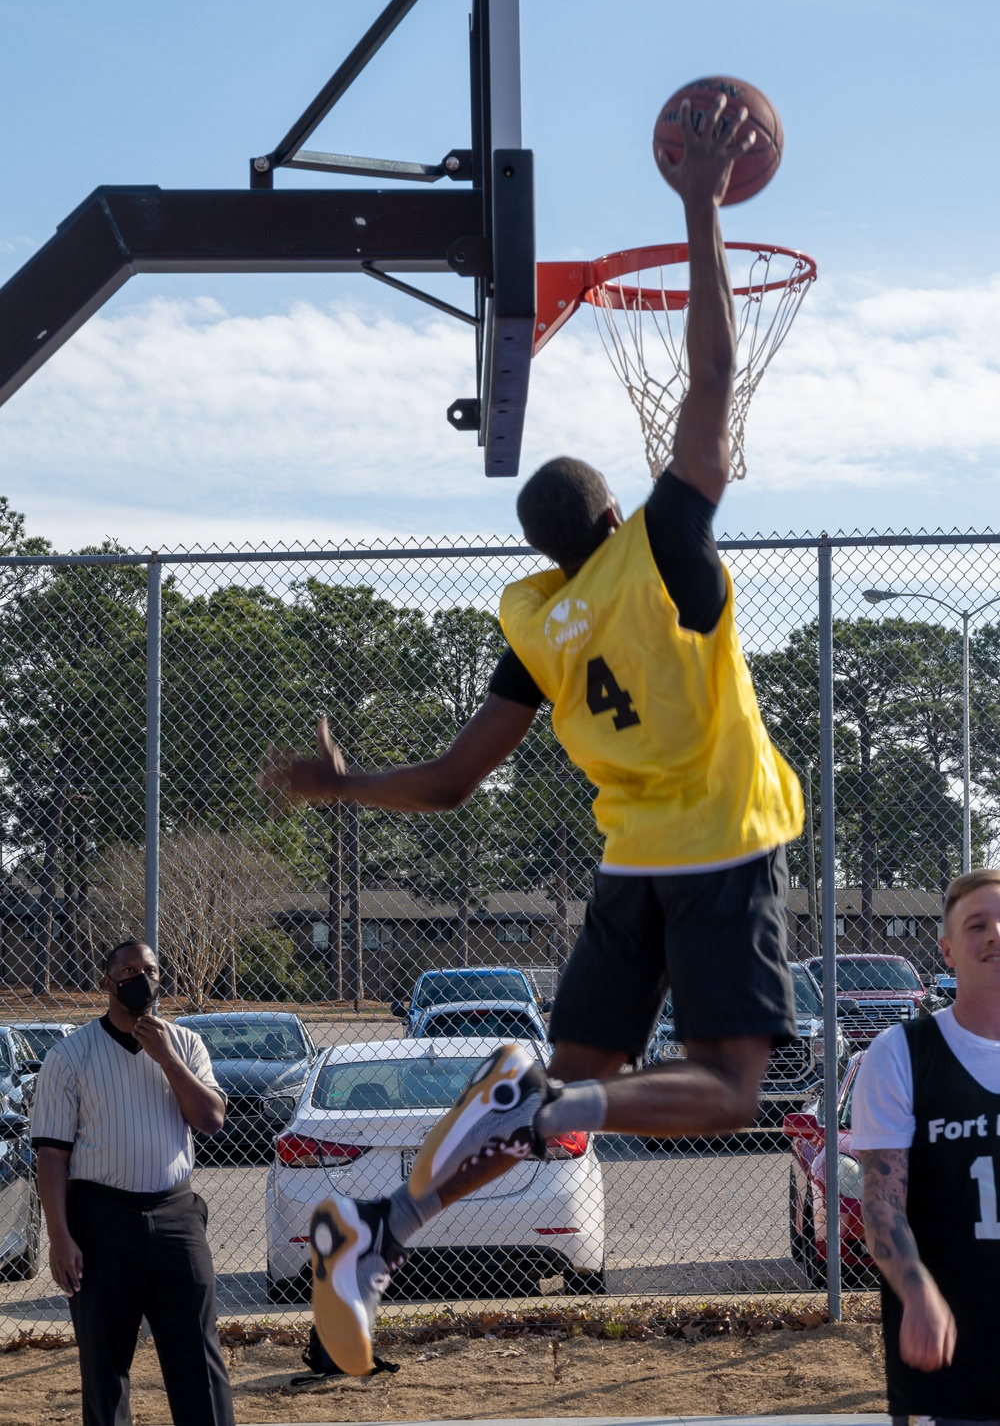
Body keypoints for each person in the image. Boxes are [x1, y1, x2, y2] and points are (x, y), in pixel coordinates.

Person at [261, 93, 804, 1376]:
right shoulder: (663, 549)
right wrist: (698, 212)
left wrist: (343, 788)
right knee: (724, 1090)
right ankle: (540, 1100)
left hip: (629, 873)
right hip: (721, 847)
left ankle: (379, 1234)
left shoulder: (540, 621)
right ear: (615, 509)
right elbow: (715, 378)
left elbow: (452, 784)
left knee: (558, 1090)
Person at [30, 939, 235, 1426]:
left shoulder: (185, 1045)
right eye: (127, 969)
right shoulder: (69, 1056)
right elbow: (51, 1157)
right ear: (107, 981)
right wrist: (60, 1238)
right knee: (105, 1369)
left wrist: (166, 1058)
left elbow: (210, 1120)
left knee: (199, 1364)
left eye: (149, 969)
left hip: (175, 1216)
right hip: (101, 1223)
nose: (139, 978)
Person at [852, 868, 1000, 1423]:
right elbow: (881, 1204)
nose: (995, 934)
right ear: (947, 950)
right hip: (949, 1353)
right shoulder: (902, 1055)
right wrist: (917, 1293)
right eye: (977, 924)